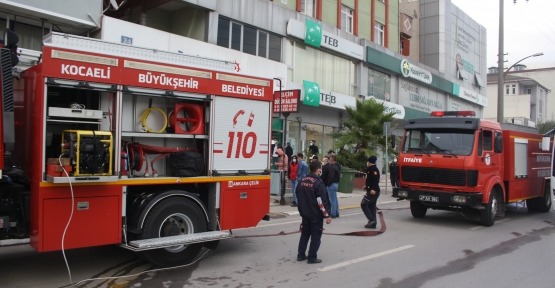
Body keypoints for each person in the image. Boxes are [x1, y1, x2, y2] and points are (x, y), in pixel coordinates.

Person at [296, 160, 332, 264]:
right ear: (318, 169)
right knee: (316, 236)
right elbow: (322, 202)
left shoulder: (302, 180)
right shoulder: (318, 183)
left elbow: (298, 195)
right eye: (320, 168)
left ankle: (301, 255)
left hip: (305, 214)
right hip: (315, 215)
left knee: (305, 234)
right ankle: (312, 258)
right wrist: (327, 216)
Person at [361, 156, 380, 229]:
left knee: (364, 204)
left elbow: (376, 180)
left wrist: (374, 189)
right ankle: (373, 223)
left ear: (370, 161)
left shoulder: (374, 169)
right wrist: (367, 186)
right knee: (371, 206)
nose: (367, 162)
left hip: (373, 191)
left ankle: (371, 220)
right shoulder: (370, 169)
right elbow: (370, 180)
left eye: (368, 161)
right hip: (370, 190)